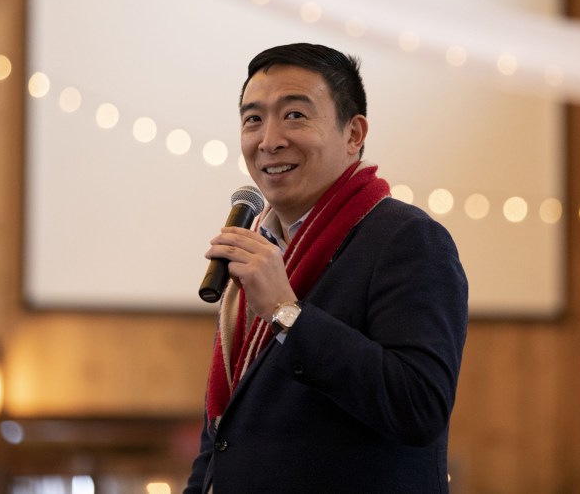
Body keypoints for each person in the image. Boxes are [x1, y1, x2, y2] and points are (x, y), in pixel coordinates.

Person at [185, 43, 468, 493]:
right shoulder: (260, 247)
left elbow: (419, 407)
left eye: (294, 115)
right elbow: (224, 432)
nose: (269, 139)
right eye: (253, 119)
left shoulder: (407, 239)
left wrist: (285, 312)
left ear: (354, 134)